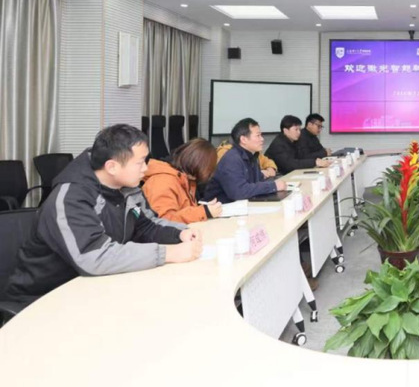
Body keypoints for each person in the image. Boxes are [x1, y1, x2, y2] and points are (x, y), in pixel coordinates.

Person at [4, 124, 203, 304]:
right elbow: (94, 256)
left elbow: (145, 227)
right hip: (43, 298)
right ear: (112, 167)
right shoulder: (71, 198)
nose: (146, 168)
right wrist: (168, 253)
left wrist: (179, 233)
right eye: (140, 162)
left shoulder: (126, 187)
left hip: (95, 287)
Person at [203, 118, 287, 203]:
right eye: (258, 136)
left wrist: (272, 183)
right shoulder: (232, 159)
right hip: (219, 207)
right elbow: (239, 192)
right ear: (243, 139)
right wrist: (273, 186)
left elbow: (257, 181)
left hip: (240, 205)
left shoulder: (252, 156)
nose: (262, 139)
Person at [142, 138, 222, 223]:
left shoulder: (185, 178)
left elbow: (184, 209)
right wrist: (204, 212)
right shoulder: (163, 181)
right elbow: (163, 221)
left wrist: (204, 209)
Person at [264, 115, 330, 175]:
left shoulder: (294, 141)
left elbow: (301, 158)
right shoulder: (278, 144)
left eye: (299, 129)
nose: (299, 132)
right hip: (276, 176)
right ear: (286, 131)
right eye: (296, 129)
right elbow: (289, 165)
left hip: (288, 174)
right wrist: (314, 162)